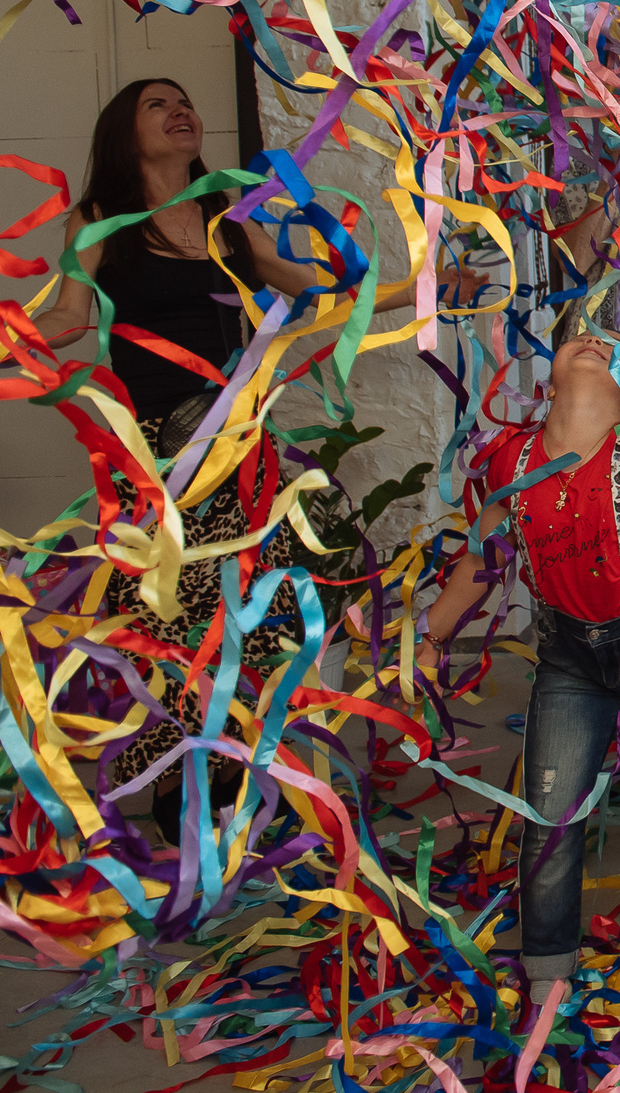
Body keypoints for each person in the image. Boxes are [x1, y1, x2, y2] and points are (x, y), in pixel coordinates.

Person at [28, 79, 473, 831]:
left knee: (277, 591)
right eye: (156, 104)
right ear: (122, 132)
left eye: (184, 100)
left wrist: (423, 290)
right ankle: (184, 783)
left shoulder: (225, 224)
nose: (180, 110)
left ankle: (260, 766)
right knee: (178, 621)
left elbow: (317, 294)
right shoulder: (98, 221)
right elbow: (69, 314)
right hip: (162, 456)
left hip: (238, 447)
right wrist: (13, 337)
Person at [413, 321, 620, 1011]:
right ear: (549, 381)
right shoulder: (509, 460)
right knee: (549, 809)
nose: (596, 340)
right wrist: (431, 635)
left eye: (615, 346)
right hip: (566, 658)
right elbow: (479, 562)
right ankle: (547, 957)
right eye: (581, 337)